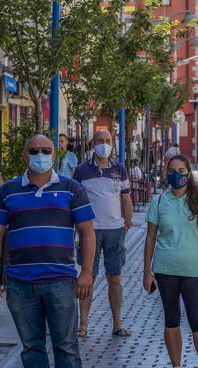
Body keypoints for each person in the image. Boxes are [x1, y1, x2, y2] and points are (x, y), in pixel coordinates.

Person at [0, 134, 96, 368]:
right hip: (20, 283)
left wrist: (86, 272)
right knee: (32, 347)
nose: (40, 155)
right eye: (34, 150)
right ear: (25, 155)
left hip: (60, 280)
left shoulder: (72, 189)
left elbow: (86, 231)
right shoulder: (8, 191)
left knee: (66, 346)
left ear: (55, 153)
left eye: (46, 150)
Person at [143, 154, 198, 368]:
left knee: (197, 321)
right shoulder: (159, 201)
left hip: (193, 271)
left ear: (189, 173)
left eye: (182, 170)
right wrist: (147, 271)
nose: (178, 175)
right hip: (165, 270)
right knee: (171, 320)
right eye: (173, 170)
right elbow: (150, 238)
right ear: (167, 172)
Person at [73, 129, 133, 338]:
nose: (104, 144)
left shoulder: (120, 169)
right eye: (100, 140)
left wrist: (126, 225)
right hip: (90, 232)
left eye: (108, 140)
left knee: (114, 278)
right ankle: (83, 324)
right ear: (92, 143)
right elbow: (76, 201)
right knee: (87, 276)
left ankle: (117, 324)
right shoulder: (81, 171)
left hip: (115, 231)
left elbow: (126, 199)